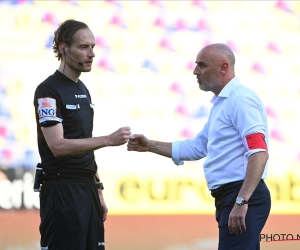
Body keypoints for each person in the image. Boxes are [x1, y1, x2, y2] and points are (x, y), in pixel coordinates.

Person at [127, 43, 271, 250]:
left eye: (201, 65)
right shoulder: (223, 103)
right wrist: (150, 145)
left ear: (223, 67)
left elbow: (259, 152)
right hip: (233, 195)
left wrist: (241, 200)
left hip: (241, 194)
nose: (195, 71)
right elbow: (197, 147)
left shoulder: (240, 100)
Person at [33, 19, 131, 250]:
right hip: (62, 190)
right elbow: (57, 146)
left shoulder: (82, 89)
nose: (92, 54)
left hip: (87, 190)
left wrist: (97, 189)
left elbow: (84, 141)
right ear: (64, 48)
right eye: (84, 47)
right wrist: (108, 140)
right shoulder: (48, 90)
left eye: (93, 47)